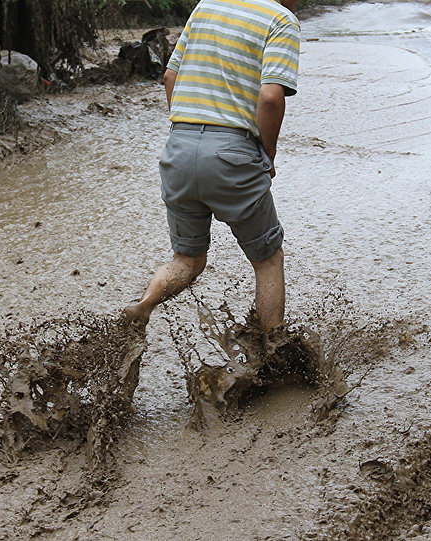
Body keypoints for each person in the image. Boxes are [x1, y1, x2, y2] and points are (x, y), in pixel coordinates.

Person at [124, 0, 301, 334]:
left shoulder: (207, 5)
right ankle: (273, 351)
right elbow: (270, 98)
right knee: (268, 259)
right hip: (232, 153)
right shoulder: (280, 19)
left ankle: (143, 305)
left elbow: (170, 77)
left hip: (179, 148)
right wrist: (268, 154)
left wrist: (187, 133)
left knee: (187, 260)